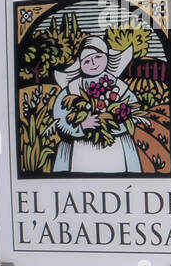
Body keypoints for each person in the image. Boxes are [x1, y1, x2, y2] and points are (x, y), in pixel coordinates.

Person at [51, 36, 142, 174]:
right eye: (87, 61)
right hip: (79, 150)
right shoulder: (72, 89)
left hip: (116, 149)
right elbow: (59, 119)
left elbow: (134, 112)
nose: (93, 63)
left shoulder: (119, 86)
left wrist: (112, 125)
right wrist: (82, 126)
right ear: (80, 65)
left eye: (98, 57)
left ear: (107, 57)